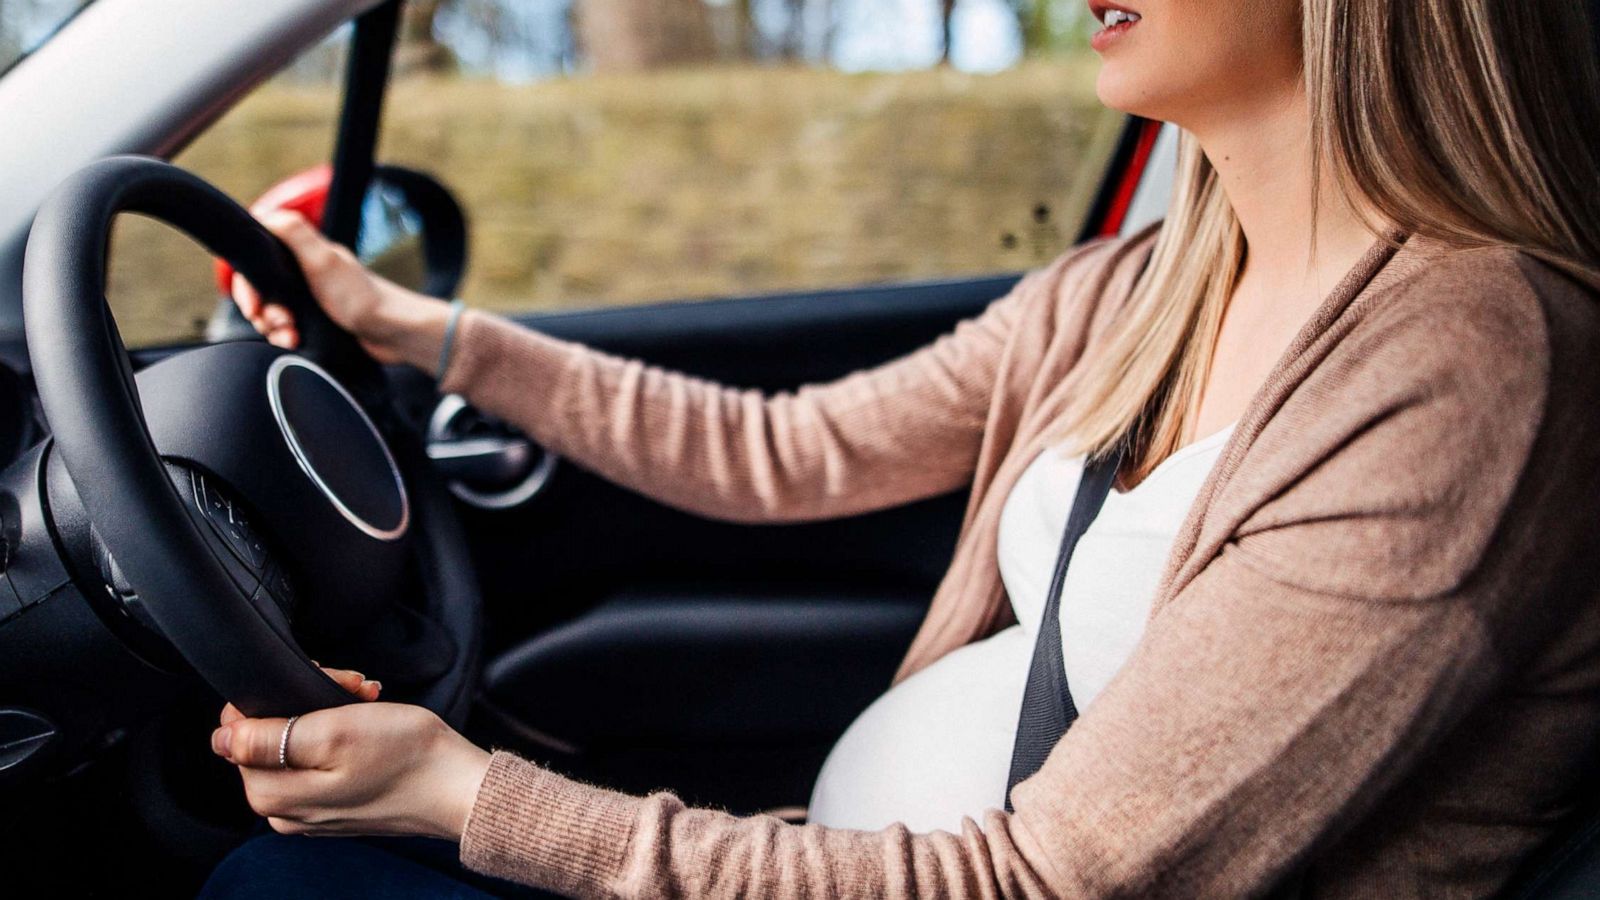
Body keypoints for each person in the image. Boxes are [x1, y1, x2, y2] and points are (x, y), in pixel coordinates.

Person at [201, 0, 1600, 896]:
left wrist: (469, 796)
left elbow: (1055, 883)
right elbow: (783, 451)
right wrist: (416, 328)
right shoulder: (1132, 291)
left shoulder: (1469, 360)